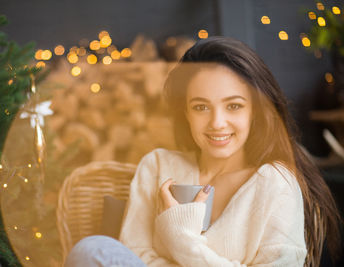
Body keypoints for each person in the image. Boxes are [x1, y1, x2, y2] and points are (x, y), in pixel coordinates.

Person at [65, 36, 342, 267]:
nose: (217, 123)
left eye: (233, 105)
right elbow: (133, 255)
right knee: (94, 250)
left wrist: (181, 238)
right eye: (201, 107)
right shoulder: (159, 166)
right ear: (185, 112)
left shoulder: (275, 182)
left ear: (255, 111)